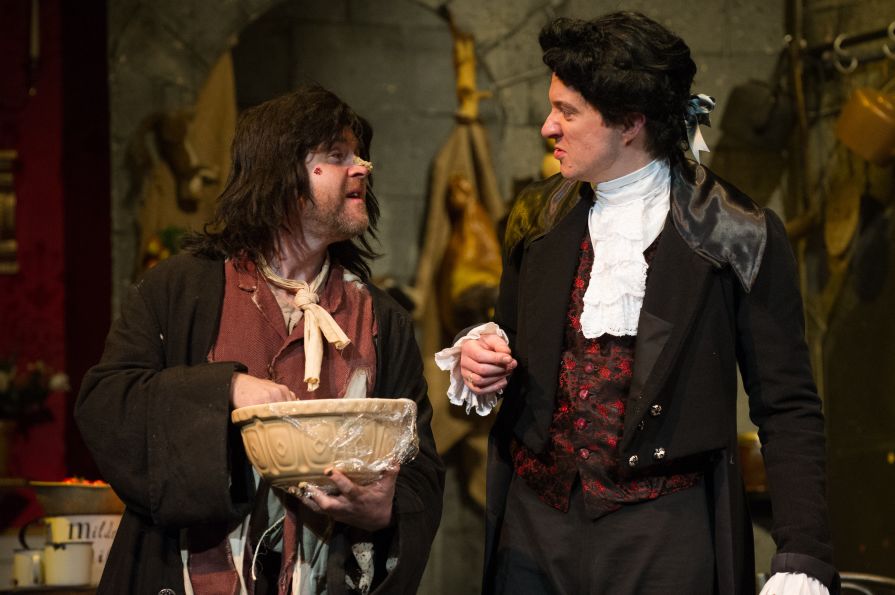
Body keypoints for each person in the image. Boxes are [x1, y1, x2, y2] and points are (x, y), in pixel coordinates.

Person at [436, 12, 839, 595]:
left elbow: (788, 406)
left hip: (662, 532)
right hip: (534, 528)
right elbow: (515, 339)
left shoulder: (736, 231)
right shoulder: (535, 216)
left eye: (567, 112)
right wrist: (485, 357)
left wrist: (803, 554)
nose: (548, 127)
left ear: (629, 122)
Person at [76, 84, 444, 594]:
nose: (362, 168)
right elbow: (106, 405)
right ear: (281, 173)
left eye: (359, 155)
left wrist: (387, 508)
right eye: (337, 155)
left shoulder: (382, 319)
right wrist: (226, 389)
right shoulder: (182, 291)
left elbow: (419, 463)